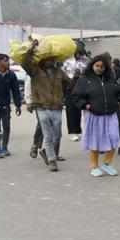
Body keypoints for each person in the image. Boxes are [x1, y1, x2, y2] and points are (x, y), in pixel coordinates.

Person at [21, 41, 73, 172]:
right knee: (48, 136)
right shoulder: (35, 71)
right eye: (48, 58)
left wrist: (77, 76)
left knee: (58, 136)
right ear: (42, 59)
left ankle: (46, 152)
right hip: (41, 107)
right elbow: (25, 63)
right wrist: (31, 48)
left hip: (57, 107)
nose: (50, 61)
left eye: (52, 58)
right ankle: (52, 161)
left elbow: (70, 85)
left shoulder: (60, 73)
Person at [72, 55, 120, 177]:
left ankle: (107, 163)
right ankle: (95, 167)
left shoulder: (110, 79)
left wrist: (119, 102)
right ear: (92, 66)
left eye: (102, 66)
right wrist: (86, 106)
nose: (99, 68)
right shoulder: (84, 80)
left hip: (110, 114)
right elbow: (76, 96)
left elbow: (119, 92)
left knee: (114, 138)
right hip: (94, 114)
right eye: (97, 66)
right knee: (94, 140)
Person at [63, 45, 90, 141]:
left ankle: (78, 130)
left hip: (82, 87)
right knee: (71, 110)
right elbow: (64, 72)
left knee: (79, 109)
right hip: (70, 86)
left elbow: (89, 73)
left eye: (80, 53)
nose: (78, 55)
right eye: (76, 53)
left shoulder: (87, 61)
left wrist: (81, 75)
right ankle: (72, 131)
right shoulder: (67, 60)